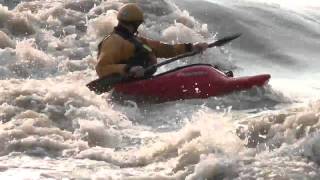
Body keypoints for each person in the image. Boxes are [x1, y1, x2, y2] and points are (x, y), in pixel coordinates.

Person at [95, 3, 208, 79]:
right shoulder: (112, 41)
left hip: (143, 81)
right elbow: (101, 68)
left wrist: (191, 47)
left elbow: (166, 49)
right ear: (135, 23)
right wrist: (128, 69)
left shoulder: (138, 40)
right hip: (126, 86)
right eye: (138, 24)